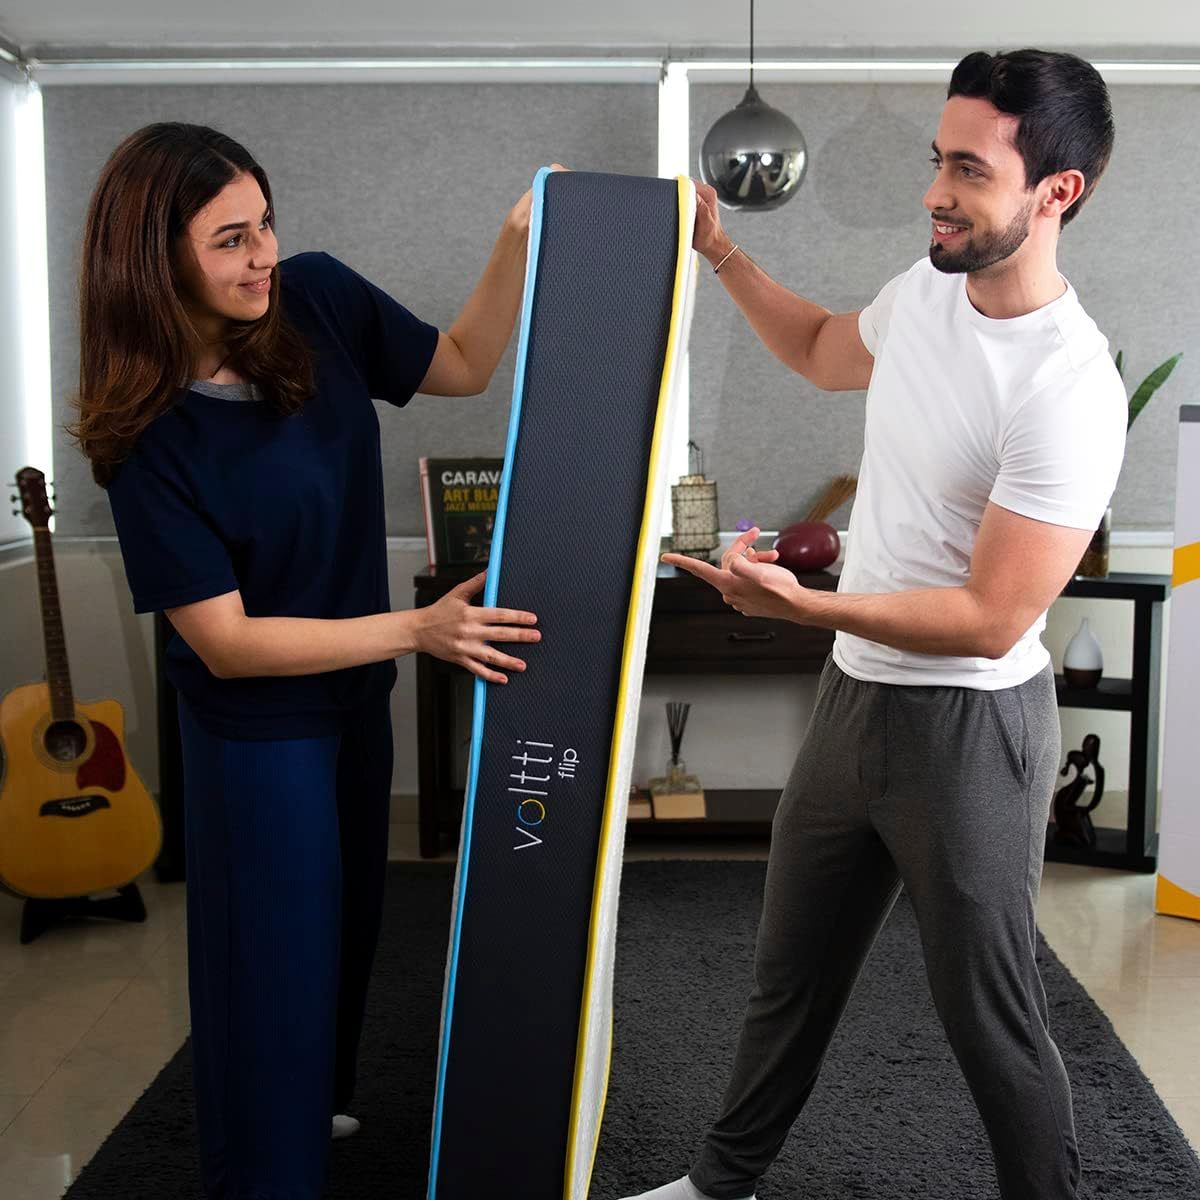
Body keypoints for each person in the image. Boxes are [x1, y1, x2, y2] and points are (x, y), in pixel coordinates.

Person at [623, 49, 1124, 1200]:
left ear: (1058, 191)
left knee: (990, 1017)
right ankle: (718, 1185)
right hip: (855, 700)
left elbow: (993, 618)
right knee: (789, 974)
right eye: (936, 160)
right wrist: (720, 251)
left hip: (970, 734)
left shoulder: (1068, 387)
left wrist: (804, 608)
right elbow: (815, 350)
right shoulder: (926, 291)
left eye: (969, 170)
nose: (934, 192)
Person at [72, 123, 547, 1199]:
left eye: (266, 224)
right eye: (230, 239)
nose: (265, 255)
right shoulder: (144, 434)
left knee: (344, 938)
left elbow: (465, 364)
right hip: (254, 731)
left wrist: (518, 240)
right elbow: (228, 642)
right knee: (272, 967)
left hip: (353, 700)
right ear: (154, 260)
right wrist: (416, 630)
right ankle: (262, 1170)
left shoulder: (320, 301)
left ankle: (303, 1114)